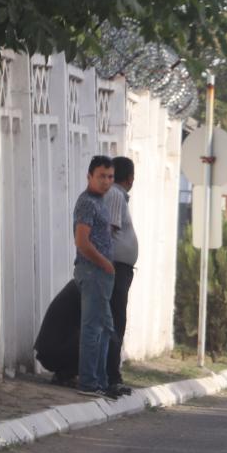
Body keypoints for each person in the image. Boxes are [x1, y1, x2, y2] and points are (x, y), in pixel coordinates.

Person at [73, 155, 120, 399]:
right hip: (92, 271)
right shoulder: (87, 203)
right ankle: (89, 383)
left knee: (105, 327)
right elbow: (82, 241)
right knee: (93, 327)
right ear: (90, 176)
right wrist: (104, 263)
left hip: (101, 274)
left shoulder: (101, 201)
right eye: (101, 176)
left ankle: (99, 381)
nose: (106, 181)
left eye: (110, 176)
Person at [104, 156, 137, 394]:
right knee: (115, 321)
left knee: (115, 320)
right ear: (130, 178)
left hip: (118, 268)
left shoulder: (117, 196)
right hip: (114, 268)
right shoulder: (116, 195)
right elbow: (109, 231)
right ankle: (111, 375)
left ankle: (111, 373)